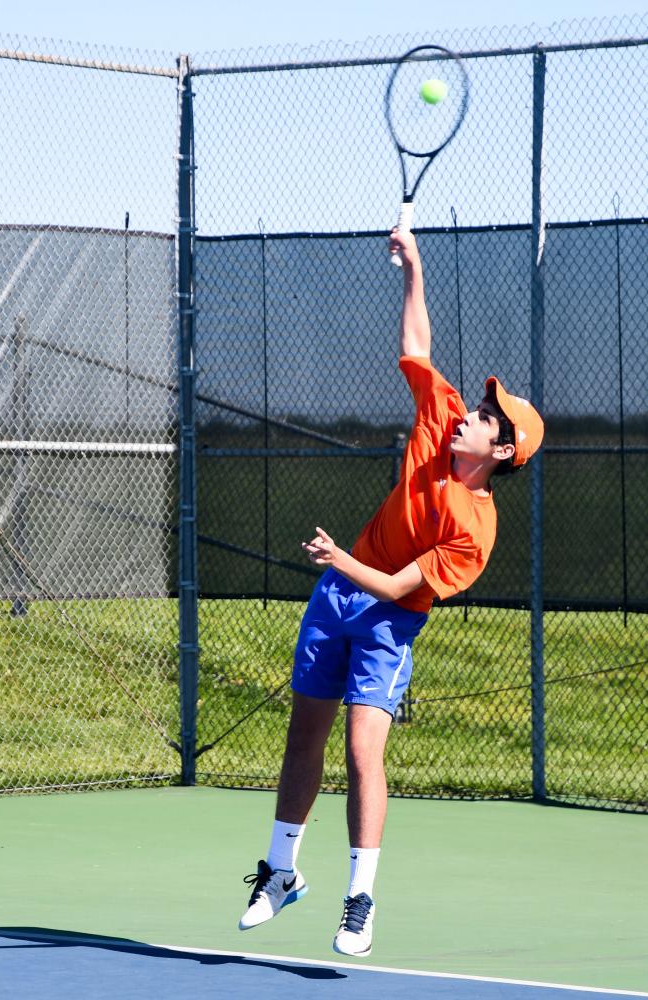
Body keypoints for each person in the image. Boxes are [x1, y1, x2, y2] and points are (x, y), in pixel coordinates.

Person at [238, 227, 544, 958]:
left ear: (499, 452)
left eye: (485, 416)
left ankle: (359, 897)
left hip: (385, 620)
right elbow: (416, 343)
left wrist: (340, 558)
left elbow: (401, 586)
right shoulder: (438, 420)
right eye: (475, 405)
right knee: (302, 731)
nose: (470, 411)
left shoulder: (474, 529)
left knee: (359, 749)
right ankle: (279, 872)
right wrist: (414, 267)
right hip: (336, 595)